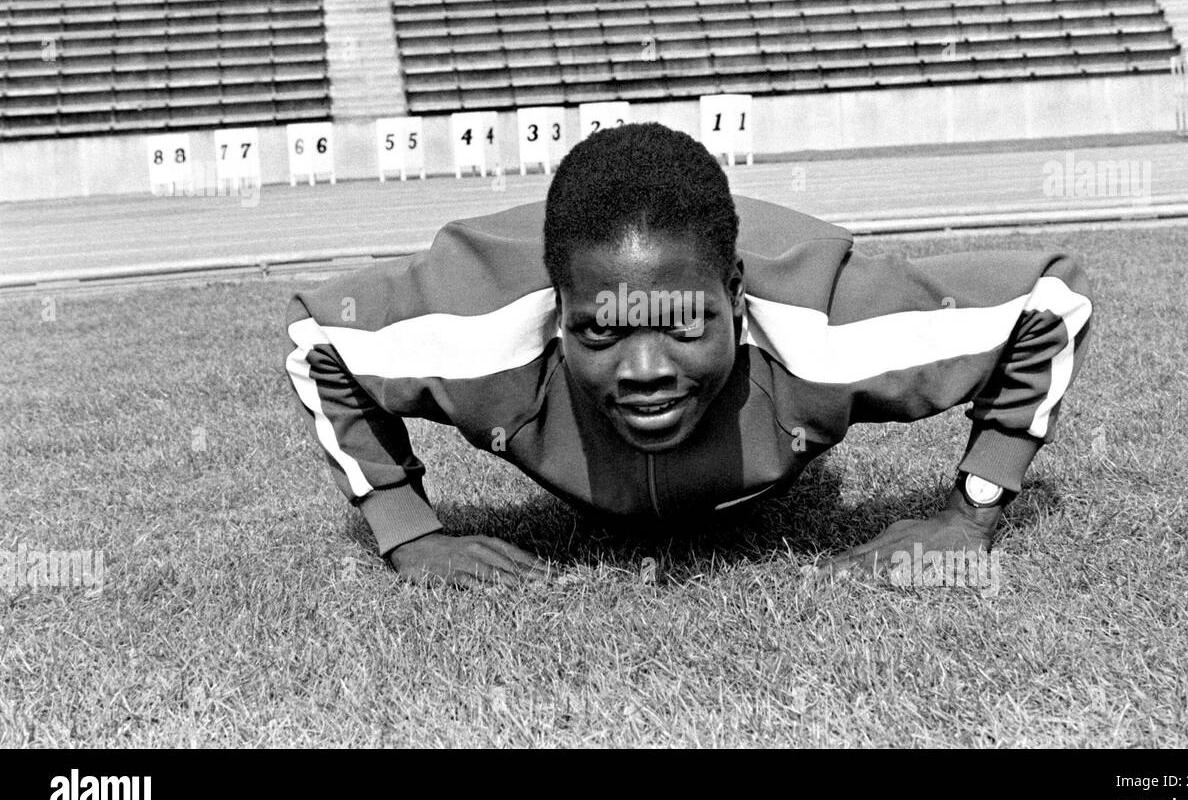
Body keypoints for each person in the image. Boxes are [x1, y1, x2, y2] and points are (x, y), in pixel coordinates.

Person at [284, 122, 1093, 588]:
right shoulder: (479, 325)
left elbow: (1050, 300)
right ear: (557, 308)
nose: (645, 369)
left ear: (735, 298)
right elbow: (319, 338)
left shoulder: (825, 326)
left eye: (681, 322)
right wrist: (409, 530)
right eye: (601, 331)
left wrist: (972, 511)